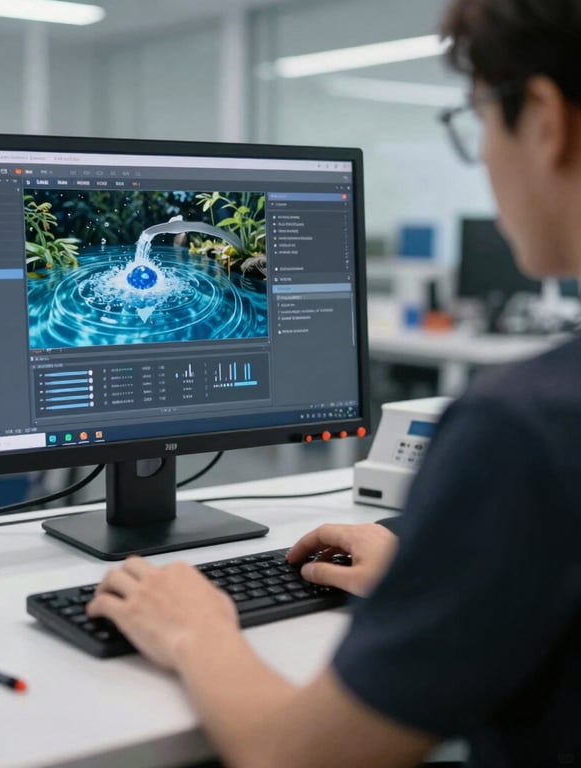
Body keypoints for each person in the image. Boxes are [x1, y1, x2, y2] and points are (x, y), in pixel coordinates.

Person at [87, 1, 581, 765]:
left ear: (545, 121)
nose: (483, 154)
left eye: (478, 119)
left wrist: (194, 625)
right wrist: (440, 577)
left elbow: (302, 755)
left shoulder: (524, 432)